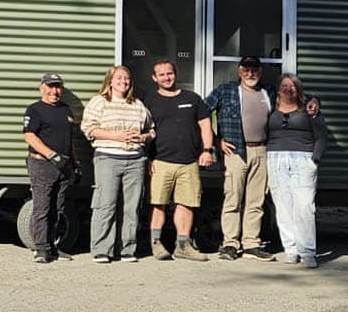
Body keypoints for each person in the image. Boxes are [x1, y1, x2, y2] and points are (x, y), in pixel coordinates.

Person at [202, 55, 277, 262]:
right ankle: (230, 244)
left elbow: (291, 104)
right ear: (239, 71)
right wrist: (216, 142)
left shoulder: (269, 92)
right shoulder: (225, 90)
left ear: (260, 72)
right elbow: (202, 113)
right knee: (233, 198)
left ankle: (252, 242)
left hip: (262, 150)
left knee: (256, 200)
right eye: (246, 70)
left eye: (254, 70)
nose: (250, 74)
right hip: (235, 151)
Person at [145, 59, 216, 261]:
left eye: (170, 73)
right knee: (158, 203)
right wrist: (147, 158)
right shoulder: (149, 101)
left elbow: (204, 125)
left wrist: (207, 150)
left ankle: (183, 245)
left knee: (186, 203)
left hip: (189, 162)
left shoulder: (192, 98)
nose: (167, 78)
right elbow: (144, 131)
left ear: (175, 74)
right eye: (162, 75)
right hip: (160, 161)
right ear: (154, 78)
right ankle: (156, 244)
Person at [81, 65, 153, 263]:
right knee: (106, 205)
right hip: (108, 158)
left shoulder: (137, 105)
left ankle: (127, 249)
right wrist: (116, 136)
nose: (124, 81)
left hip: (135, 160)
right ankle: (102, 249)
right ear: (110, 81)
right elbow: (88, 128)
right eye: (119, 78)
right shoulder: (99, 102)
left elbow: (151, 130)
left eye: (127, 78)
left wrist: (143, 137)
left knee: (131, 207)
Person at [266, 73, 328, 269]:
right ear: (278, 89)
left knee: (305, 207)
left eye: (293, 86)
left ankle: (307, 251)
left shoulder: (309, 110)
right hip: (275, 158)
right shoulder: (270, 109)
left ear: (298, 89)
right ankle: (291, 249)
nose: (288, 88)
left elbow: (321, 136)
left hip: (303, 159)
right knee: (283, 206)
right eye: (284, 85)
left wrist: (314, 160)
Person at [22, 72, 76, 264]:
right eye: (51, 86)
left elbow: (69, 140)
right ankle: (41, 249)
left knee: (58, 208)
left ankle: (54, 246)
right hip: (42, 164)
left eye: (58, 87)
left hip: (64, 165)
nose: (55, 91)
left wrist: (74, 163)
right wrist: (52, 155)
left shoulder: (65, 110)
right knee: (42, 207)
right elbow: (29, 136)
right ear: (42, 88)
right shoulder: (35, 110)